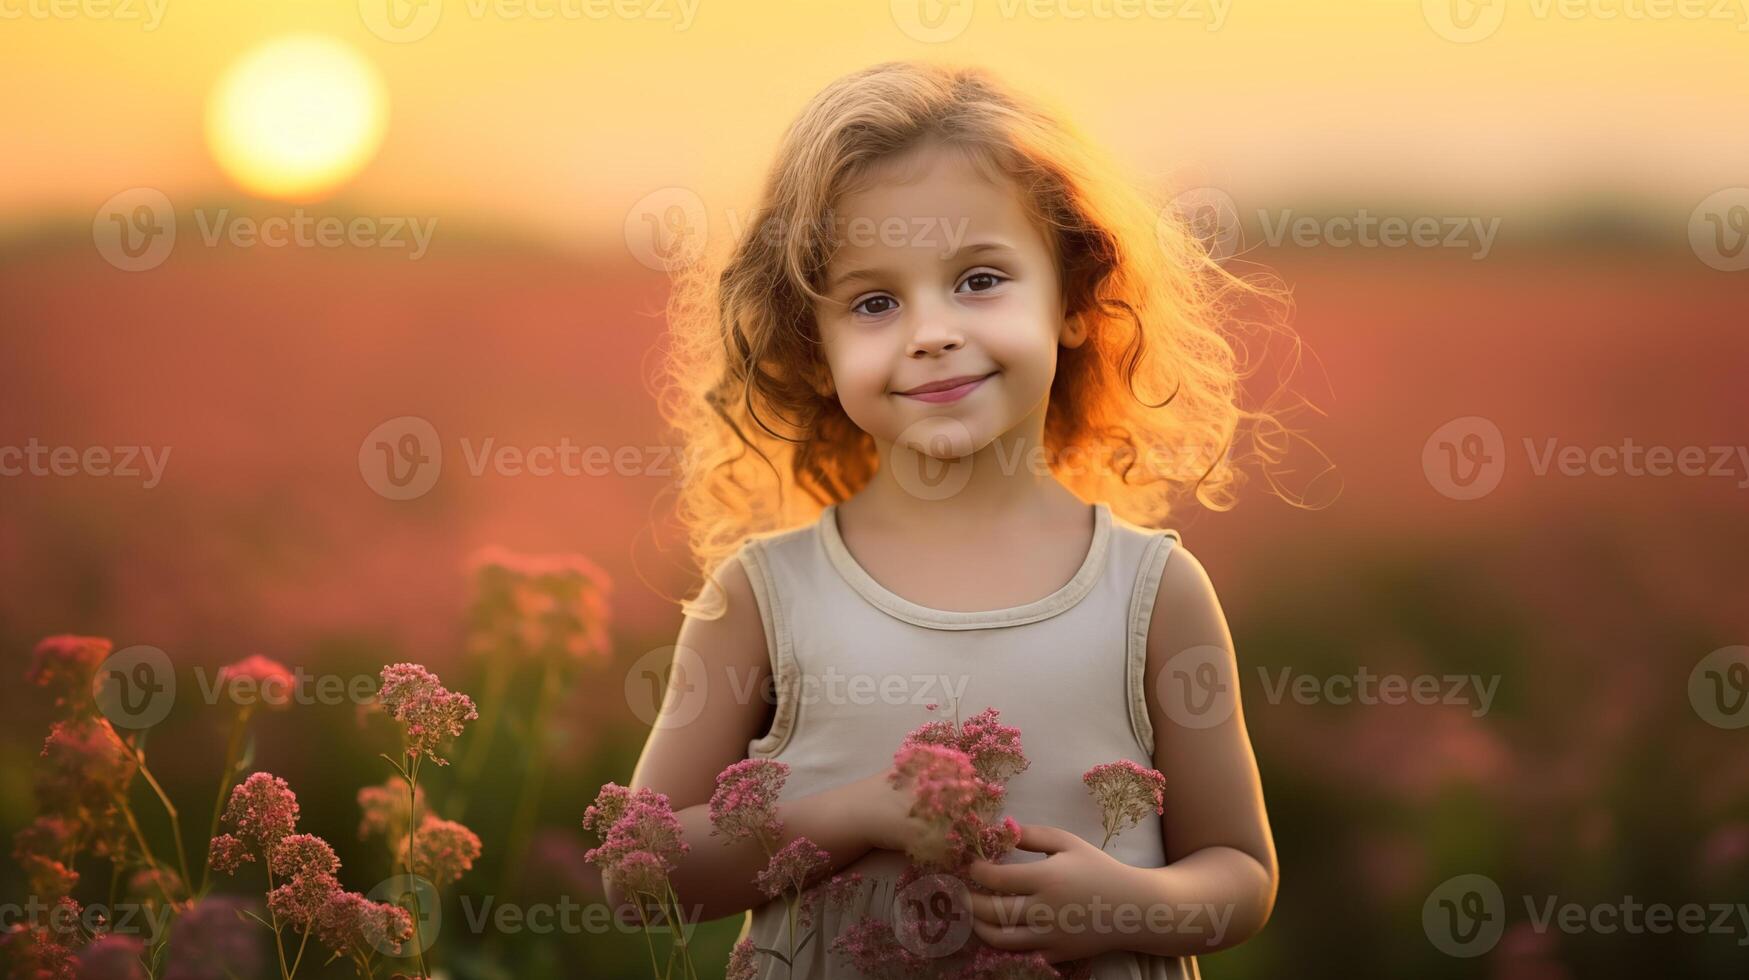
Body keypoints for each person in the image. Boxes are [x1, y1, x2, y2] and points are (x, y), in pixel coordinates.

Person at [615, 59, 1297, 979]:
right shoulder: (761, 596)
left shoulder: (1154, 591)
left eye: (978, 279)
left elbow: (1240, 874)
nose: (929, 331)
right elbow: (641, 871)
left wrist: (1123, 904)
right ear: (810, 351)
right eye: (874, 302)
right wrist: (852, 814)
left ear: (1076, 301)